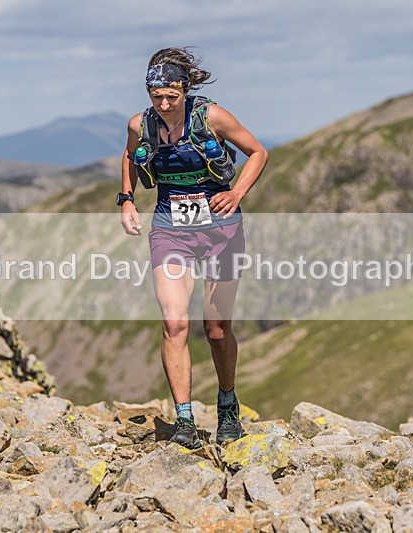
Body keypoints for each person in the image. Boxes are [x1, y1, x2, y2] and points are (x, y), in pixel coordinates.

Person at [118, 47, 268, 448]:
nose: (164, 104)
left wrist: (236, 193)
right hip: (171, 229)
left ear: (185, 89)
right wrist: (127, 198)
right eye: (156, 96)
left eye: (172, 96)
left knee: (217, 330)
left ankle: (226, 403)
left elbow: (258, 152)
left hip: (222, 230)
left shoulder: (212, 118)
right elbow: (130, 156)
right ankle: (184, 419)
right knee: (174, 323)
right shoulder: (140, 123)